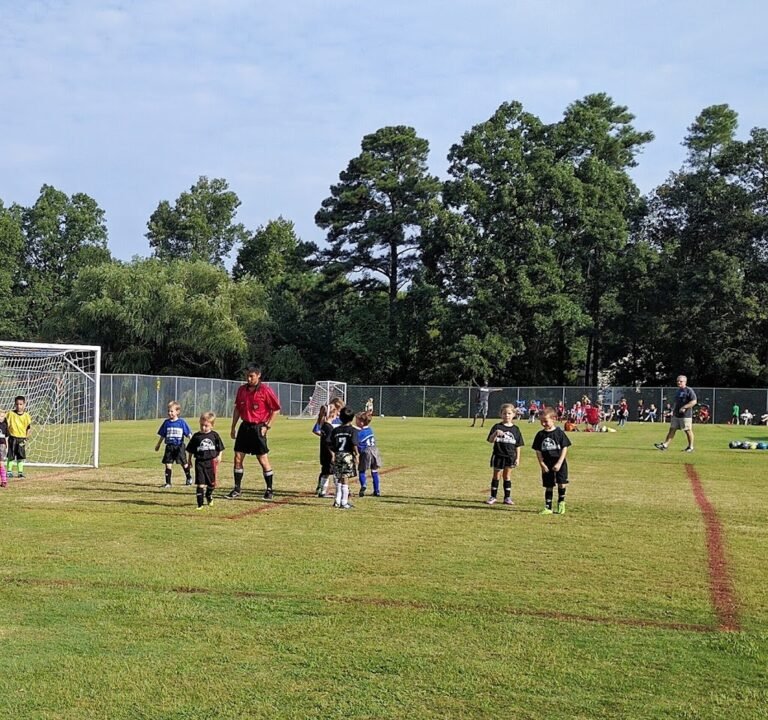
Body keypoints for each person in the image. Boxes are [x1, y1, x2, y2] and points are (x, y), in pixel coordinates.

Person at [227, 364, 281, 500]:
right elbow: (238, 409)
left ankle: (269, 490)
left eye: (251, 376)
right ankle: (237, 489)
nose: (249, 378)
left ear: (258, 375)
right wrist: (233, 426)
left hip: (258, 428)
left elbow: (276, 409)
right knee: (238, 458)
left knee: (262, 459)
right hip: (244, 427)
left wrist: (267, 426)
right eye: (247, 376)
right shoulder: (241, 390)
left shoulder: (265, 390)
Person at [532, 407, 572, 515]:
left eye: (546, 421)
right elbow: (538, 451)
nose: (543, 423)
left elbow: (565, 447)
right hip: (547, 464)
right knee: (548, 485)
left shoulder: (559, 433)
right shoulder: (540, 435)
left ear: (554, 419)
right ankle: (548, 507)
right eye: (541, 421)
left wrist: (559, 463)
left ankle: (561, 503)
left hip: (559, 463)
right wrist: (542, 464)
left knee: (561, 483)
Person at [485, 403, 524, 505]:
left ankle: (507, 497)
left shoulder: (516, 429)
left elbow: (518, 445)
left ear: (514, 415)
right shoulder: (497, 426)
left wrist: (517, 458)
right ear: (501, 414)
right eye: (504, 413)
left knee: (507, 476)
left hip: (510, 456)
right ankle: (493, 496)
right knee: (496, 476)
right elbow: (490, 440)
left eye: (509, 413)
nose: (507, 415)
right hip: (498, 455)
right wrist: (495, 433)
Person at [186, 411, 225, 510]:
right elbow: (190, 450)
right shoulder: (196, 436)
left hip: (211, 462)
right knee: (200, 484)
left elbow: (220, 448)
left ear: (212, 425)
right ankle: (200, 504)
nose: (203, 428)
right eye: (202, 425)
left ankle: (209, 495)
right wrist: (189, 460)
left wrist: (219, 456)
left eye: (206, 426)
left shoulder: (214, 435)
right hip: (199, 462)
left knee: (211, 484)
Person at [154, 400, 193, 488]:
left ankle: (188, 477)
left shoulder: (181, 422)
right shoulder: (166, 423)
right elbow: (162, 435)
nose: (169, 413)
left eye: (172, 411)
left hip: (179, 446)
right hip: (169, 447)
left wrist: (193, 442)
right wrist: (158, 444)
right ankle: (168, 483)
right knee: (168, 464)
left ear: (177, 412)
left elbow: (188, 434)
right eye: (168, 411)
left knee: (184, 463)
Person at [654, 375, 697, 453]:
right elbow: (676, 403)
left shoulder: (689, 390)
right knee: (672, 429)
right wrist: (673, 411)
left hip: (686, 415)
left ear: (685, 382)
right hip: (676, 415)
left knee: (688, 430)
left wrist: (684, 407)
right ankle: (665, 445)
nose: (679, 382)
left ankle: (690, 447)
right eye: (677, 381)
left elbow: (694, 401)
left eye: (681, 381)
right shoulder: (678, 391)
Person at [328, 406, 359, 509]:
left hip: (338, 455)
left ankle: (337, 500)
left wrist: (333, 454)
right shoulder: (352, 430)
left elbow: (329, 443)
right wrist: (357, 455)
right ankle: (344, 502)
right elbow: (354, 444)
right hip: (347, 455)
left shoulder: (335, 430)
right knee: (345, 479)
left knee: (338, 478)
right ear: (352, 418)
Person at [312, 404, 337, 498]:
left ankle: (322, 491)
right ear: (332, 415)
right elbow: (328, 443)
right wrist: (333, 454)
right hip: (329, 454)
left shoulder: (324, 426)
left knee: (325, 472)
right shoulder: (329, 428)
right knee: (335, 473)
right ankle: (337, 491)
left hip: (323, 454)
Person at [356, 411, 382, 497]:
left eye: (357, 420)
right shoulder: (370, 430)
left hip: (366, 452)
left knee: (362, 470)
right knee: (374, 470)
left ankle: (363, 485)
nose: (355, 422)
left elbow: (356, 443)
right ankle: (377, 490)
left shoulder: (359, 433)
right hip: (375, 450)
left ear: (361, 422)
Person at [6, 396, 31, 479]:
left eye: (21, 404)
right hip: (12, 438)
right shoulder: (10, 414)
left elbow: (28, 428)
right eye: (17, 404)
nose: (19, 406)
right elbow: (6, 424)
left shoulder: (27, 416)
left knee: (20, 456)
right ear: (14, 404)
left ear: (24, 404)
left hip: (21, 439)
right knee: (11, 455)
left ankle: (20, 472)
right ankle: (9, 472)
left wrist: (26, 438)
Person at [0, 410, 8, 488]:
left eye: (2, 416)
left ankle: (4, 480)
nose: (0, 418)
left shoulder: (5, 425)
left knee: (1, 464)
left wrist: (7, 447)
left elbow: (6, 437)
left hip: (2, 446)